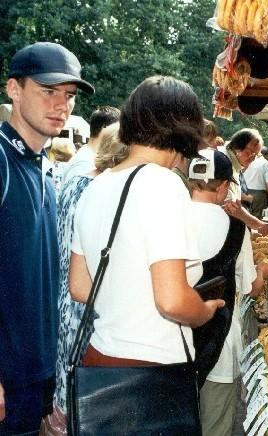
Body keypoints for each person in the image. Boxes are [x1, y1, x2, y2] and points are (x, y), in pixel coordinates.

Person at [68, 77, 224, 423]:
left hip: (101, 363)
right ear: (185, 127)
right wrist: (203, 311)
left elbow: (80, 287)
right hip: (151, 375)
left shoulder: (97, 185)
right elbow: (171, 300)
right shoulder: (163, 184)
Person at [0, 41, 94, 435]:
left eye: (69, 96)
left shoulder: (46, 168)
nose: (61, 105)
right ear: (14, 89)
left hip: (39, 375)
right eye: (48, 91)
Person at [44, 123, 128, 433]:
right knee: (86, 393)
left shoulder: (75, 182)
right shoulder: (106, 192)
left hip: (66, 298)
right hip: (89, 302)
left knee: (66, 388)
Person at [186, 149, 268, 436]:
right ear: (223, 185)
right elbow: (251, 288)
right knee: (216, 425)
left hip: (173, 345)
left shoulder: (169, 217)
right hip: (219, 344)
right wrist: (264, 272)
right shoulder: (235, 228)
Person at [221, 128, 268, 235]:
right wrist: (258, 224)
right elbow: (230, 205)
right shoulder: (223, 162)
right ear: (237, 147)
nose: (252, 158)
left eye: (256, 155)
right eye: (249, 153)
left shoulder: (234, 162)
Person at [62, 106, 120, 184]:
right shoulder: (84, 164)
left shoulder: (87, 156)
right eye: (118, 128)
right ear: (104, 127)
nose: (120, 133)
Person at [242, 148, 268, 218]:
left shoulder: (246, 161)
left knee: (245, 218)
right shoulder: (267, 164)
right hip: (259, 196)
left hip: (244, 193)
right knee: (257, 220)